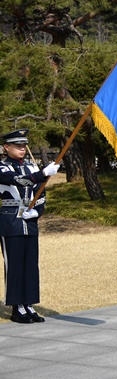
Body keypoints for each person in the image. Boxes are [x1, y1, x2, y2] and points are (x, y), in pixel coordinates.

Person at [0, 130, 57, 323]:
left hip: (30, 222)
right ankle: (17, 307)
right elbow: (16, 181)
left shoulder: (31, 166)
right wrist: (41, 174)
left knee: (31, 265)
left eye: (24, 145)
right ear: (6, 147)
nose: (22, 149)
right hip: (11, 221)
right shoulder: (3, 167)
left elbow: (40, 194)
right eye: (17, 146)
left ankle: (29, 304)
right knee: (14, 265)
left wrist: (37, 212)